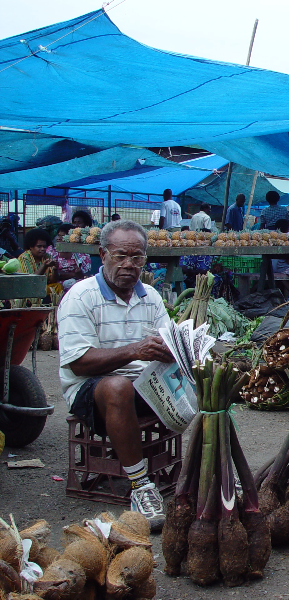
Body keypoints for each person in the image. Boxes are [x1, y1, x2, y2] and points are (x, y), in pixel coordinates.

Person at [57, 220, 173, 531]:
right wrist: (134, 351)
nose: (129, 265)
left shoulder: (150, 296)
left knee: (208, 378)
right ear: (102, 255)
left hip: (142, 385)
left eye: (137, 257)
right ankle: (141, 486)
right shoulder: (80, 297)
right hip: (90, 389)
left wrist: (176, 351)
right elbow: (79, 363)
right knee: (117, 387)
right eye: (120, 256)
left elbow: (166, 340)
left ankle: (214, 473)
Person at [16, 229, 58, 304]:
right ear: (31, 247)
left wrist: (55, 269)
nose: (43, 249)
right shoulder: (24, 258)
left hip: (43, 288)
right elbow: (31, 281)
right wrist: (44, 266)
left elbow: (52, 281)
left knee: (58, 287)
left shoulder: (48, 256)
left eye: (44, 246)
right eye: (39, 246)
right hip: (28, 290)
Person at [54, 224, 91, 290]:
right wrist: (73, 274)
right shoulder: (53, 252)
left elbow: (84, 276)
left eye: (62, 236)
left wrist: (79, 274)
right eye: (58, 235)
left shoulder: (81, 255)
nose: (58, 238)